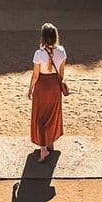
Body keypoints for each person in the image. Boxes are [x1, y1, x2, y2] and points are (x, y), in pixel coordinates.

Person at [28, 22, 67, 162]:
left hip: (42, 86)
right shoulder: (62, 51)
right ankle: (50, 144)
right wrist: (59, 86)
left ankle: (43, 150)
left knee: (40, 118)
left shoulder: (39, 54)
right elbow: (61, 72)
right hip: (55, 85)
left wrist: (30, 88)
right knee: (52, 116)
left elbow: (35, 75)